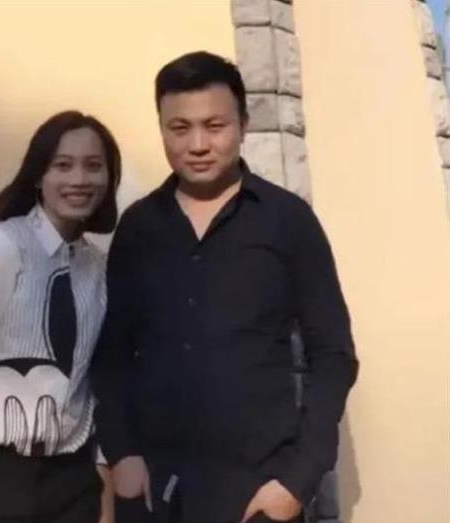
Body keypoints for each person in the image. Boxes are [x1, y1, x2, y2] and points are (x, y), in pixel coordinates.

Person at [92, 51, 359, 523]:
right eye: (180, 128)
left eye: (214, 126)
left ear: (243, 125)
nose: (198, 144)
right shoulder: (138, 227)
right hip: (153, 491)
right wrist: (121, 454)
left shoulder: (288, 221)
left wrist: (298, 480)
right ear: (162, 129)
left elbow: (333, 354)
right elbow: (111, 355)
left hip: (258, 494)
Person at [0, 110, 121, 523]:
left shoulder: (97, 270)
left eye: (93, 166)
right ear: (38, 175)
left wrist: (102, 499)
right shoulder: (2, 248)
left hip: (69, 483)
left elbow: (93, 386)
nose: (79, 179)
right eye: (62, 165)